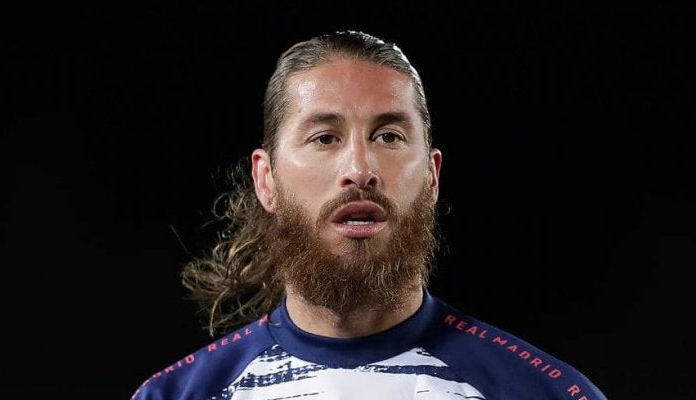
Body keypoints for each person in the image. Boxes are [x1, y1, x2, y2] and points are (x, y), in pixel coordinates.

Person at [131, 30, 608, 400]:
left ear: (432, 176)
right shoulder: (176, 395)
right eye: (325, 138)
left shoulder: (546, 392)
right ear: (266, 180)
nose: (360, 170)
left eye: (389, 137)